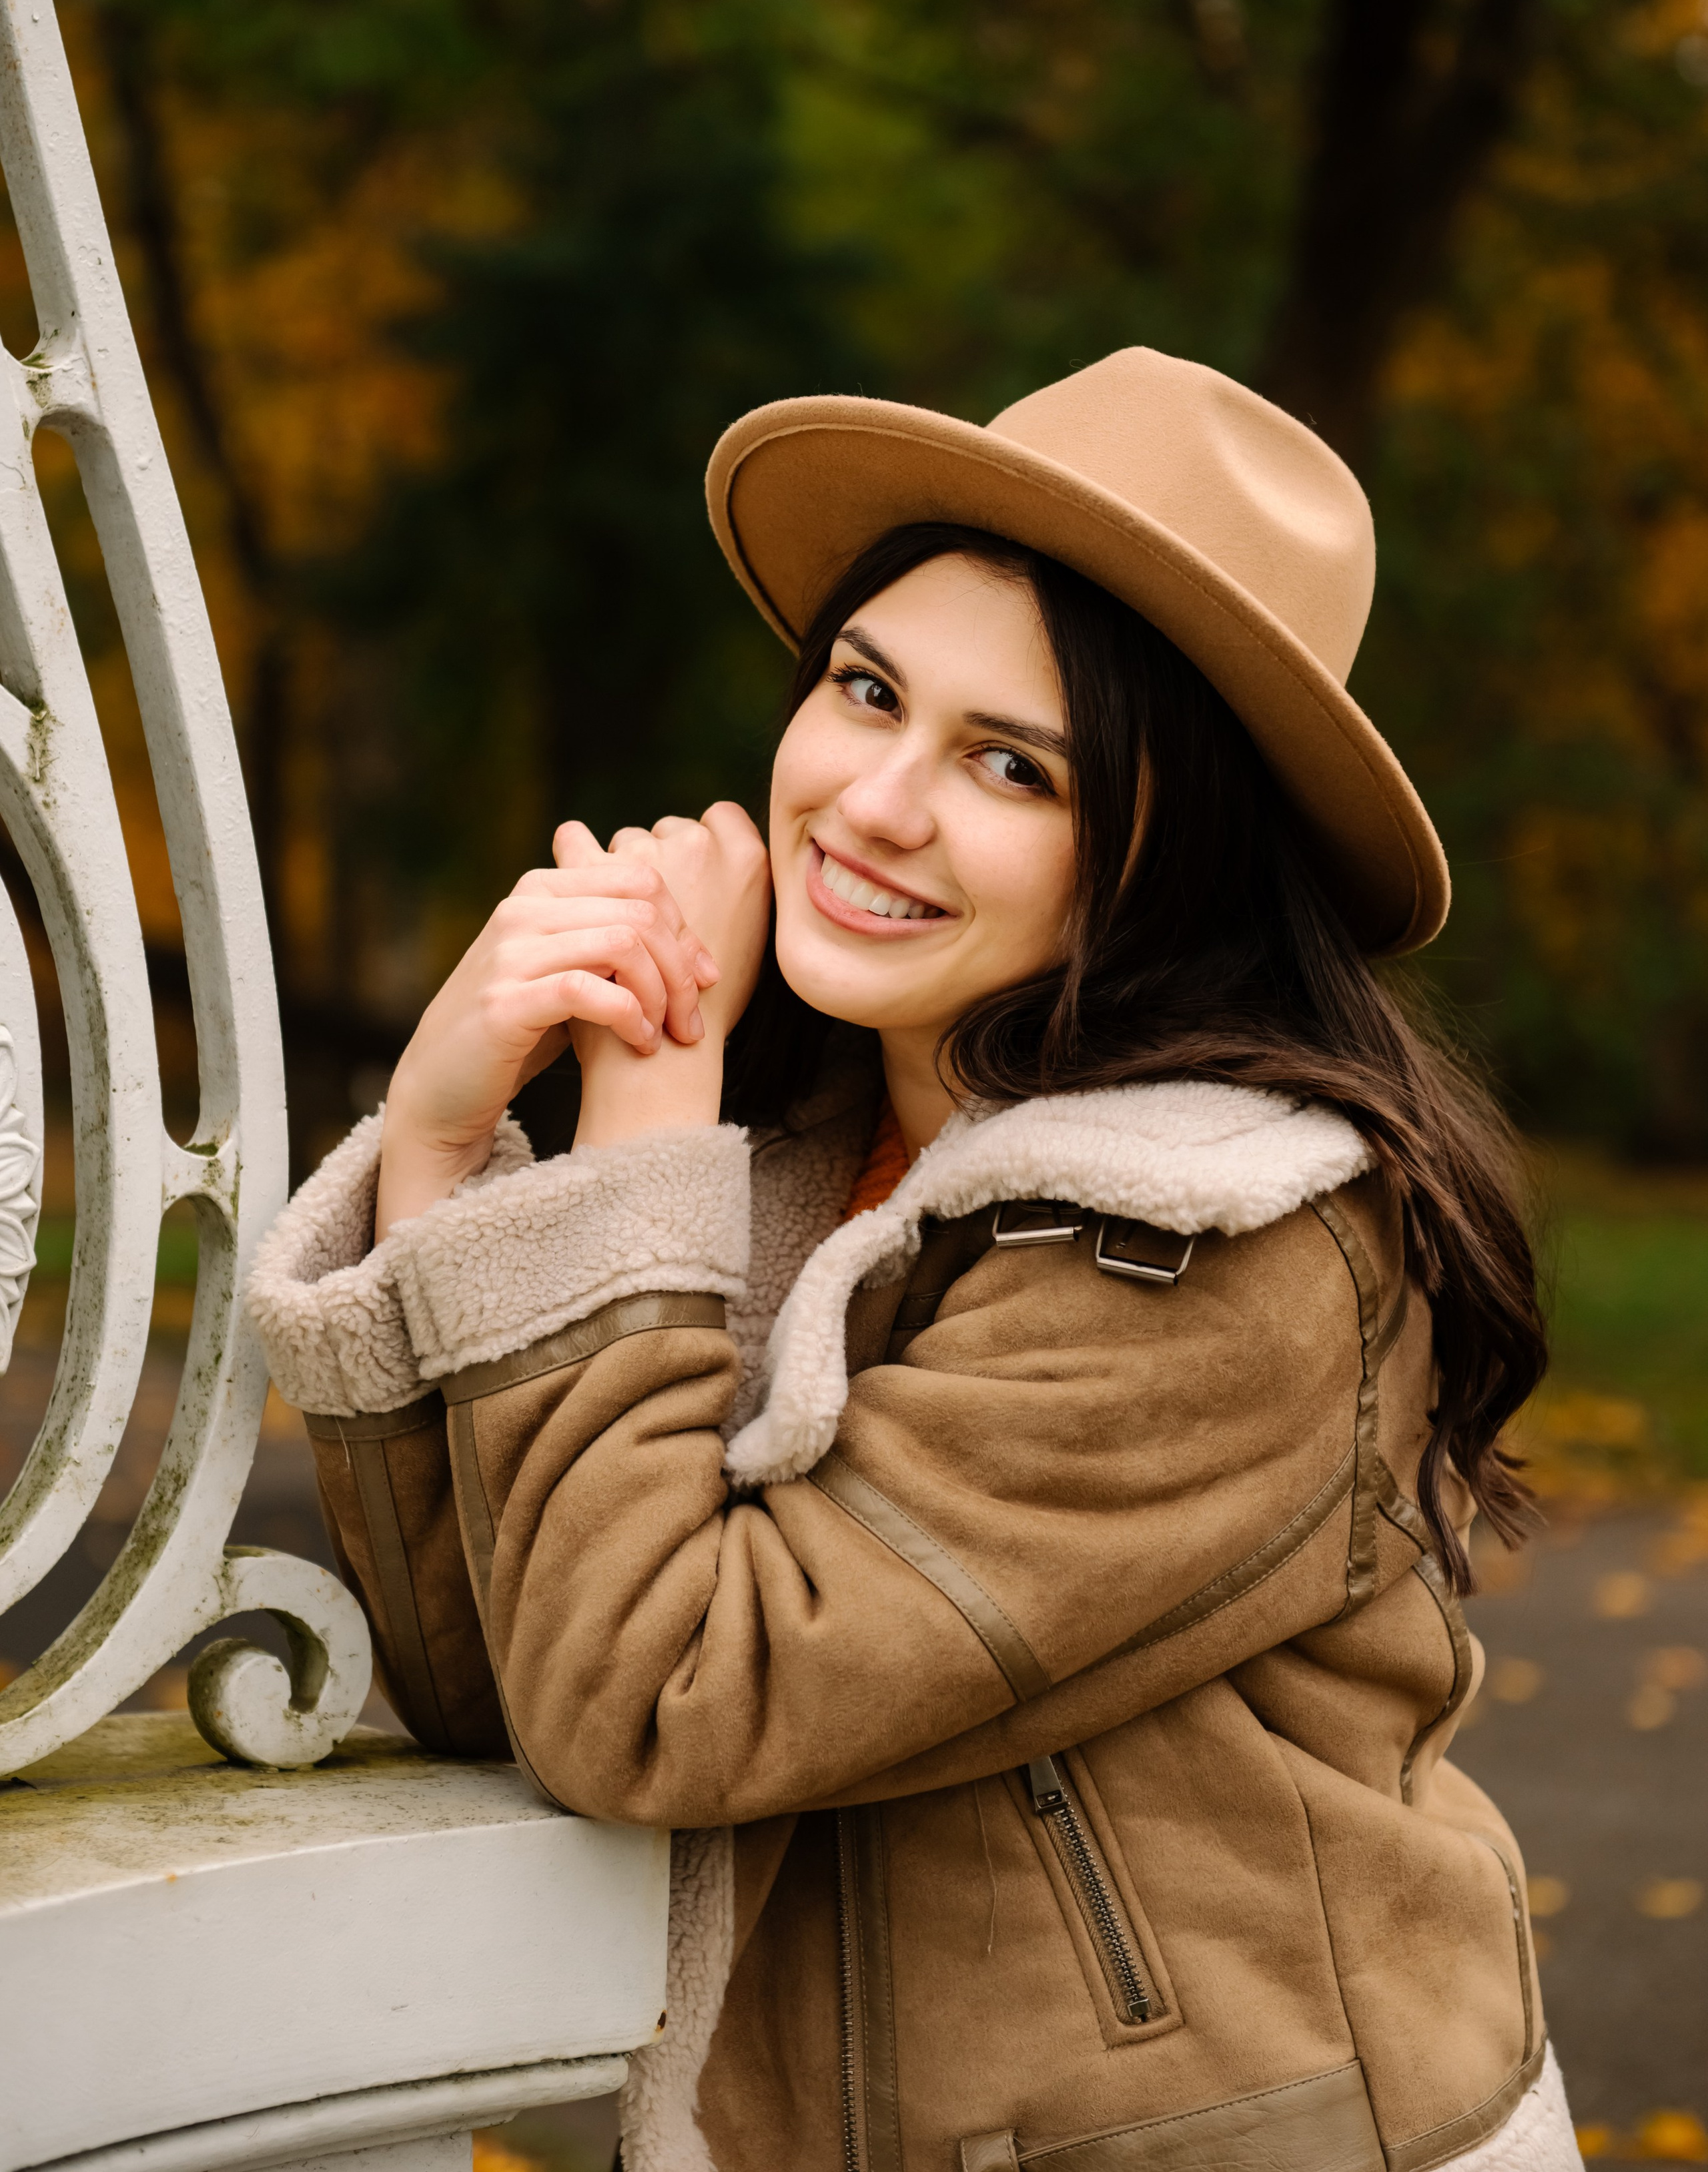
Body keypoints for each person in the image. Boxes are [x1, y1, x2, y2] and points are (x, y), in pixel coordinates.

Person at [250, 348, 1577, 2172]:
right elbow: (515, 1683)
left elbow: (654, 1699)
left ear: (1163, 860)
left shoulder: (1231, 1254)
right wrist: (446, 1152)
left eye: (1010, 765)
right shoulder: (812, 1171)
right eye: (867, 688)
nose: (873, 800)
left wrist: (640, 1120)